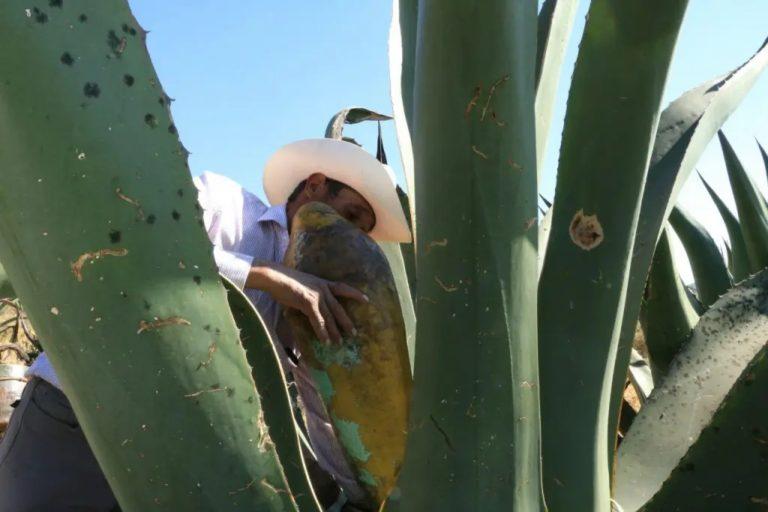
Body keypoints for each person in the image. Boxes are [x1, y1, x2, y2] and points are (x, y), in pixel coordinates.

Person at [0, 138, 411, 511]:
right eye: (352, 213)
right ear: (316, 185)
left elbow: (320, 407)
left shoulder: (317, 306)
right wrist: (264, 275)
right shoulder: (225, 204)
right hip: (78, 418)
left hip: (174, 462)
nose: (352, 233)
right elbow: (135, 244)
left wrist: (361, 499)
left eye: (362, 230)